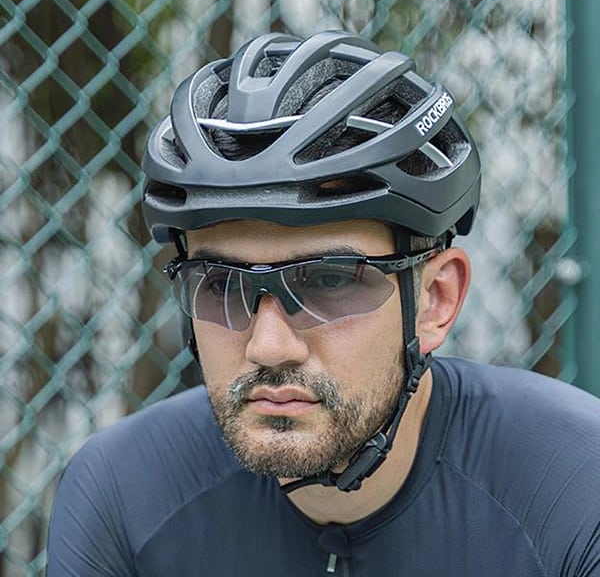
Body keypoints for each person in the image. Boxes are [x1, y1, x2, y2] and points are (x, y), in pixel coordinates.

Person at [46, 31, 600, 576]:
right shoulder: (122, 495)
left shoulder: (577, 488)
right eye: (220, 284)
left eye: (329, 281)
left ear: (435, 300)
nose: (268, 347)